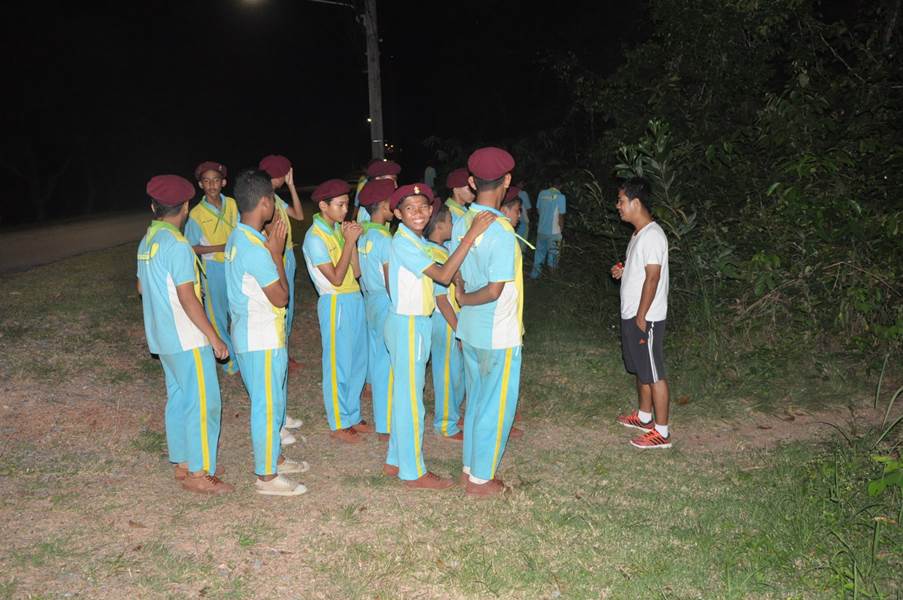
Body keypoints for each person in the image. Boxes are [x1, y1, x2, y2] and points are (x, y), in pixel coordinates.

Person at [383, 183, 493, 490]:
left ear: (431, 210)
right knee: (411, 400)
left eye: (423, 207)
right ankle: (412, 471)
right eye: (409, 208)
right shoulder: (404, 243)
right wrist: (469, 237)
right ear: (397, 214)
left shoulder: (414, 240)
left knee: (405, 395)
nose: (418, 213)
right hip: (408, 324)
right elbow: (443, 276)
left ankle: (396, 459)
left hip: (412, 323)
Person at [137, 174, 233, 495]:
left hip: (163, 338)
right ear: (186, 207)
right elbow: (187, 297)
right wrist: (214, 336)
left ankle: (183, 462)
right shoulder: (177, 245)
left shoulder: (148, 240)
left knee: (179, 399)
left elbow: (141, 287)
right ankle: (199, 472)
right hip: (187, 338)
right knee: (204, 403)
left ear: (153, 207)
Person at [225, 169, 309, 496]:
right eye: (273, 201)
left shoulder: (240, 237)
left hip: (253, 334)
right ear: (265, 202)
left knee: (270, 401)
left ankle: (275, 457)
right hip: (260, 338)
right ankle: (267, 476)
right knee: (267, 406)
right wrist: (276, 254)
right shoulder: (256, 249)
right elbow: (281, 297)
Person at [451, 147, 524, 498]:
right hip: (498, 330)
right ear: (507, 181)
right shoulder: (501, 231)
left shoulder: (462, 222)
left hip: (470, 328)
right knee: (495, 406)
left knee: (477, 401)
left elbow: (457, 272)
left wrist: (463, 299)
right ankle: (481, 479)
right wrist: (465, 299)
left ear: (471, 182)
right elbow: (495, 291)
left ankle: (470, 468)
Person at [301, 179, 370, 443]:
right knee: (338, 363)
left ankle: (352, 414)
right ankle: (338, 421)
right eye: (339, 205)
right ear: (323, 206)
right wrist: (349, 242)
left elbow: (357, 272)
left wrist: (350, 242)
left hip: (354, 298)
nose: (345, 210)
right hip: (335, 301)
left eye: (347, 204)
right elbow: (337, 278)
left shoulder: (337, 230)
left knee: (357, 360)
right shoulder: (315, 237)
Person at [611, 177, 672, 449]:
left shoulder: (653, 235)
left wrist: (641, 315)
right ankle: (644, 417)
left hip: (646, 317)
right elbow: (641, 271)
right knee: (641, 368)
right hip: (633, 313)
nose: (618, 206)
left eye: (621, 201)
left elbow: (653, 277)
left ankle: (662, 432)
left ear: (635, 203)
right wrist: (624, 271)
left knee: (654, 372)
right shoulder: (638, 234)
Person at [185, 161, 239, 375]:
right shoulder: (196, 214)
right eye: (206, 181)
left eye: (216, 180)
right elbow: (191, 247)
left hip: (235, 265)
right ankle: (229, 360)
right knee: (216, 316)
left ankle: (242, 353)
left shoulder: (233, 205)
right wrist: (219, 247)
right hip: (213, 268)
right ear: (200, 185)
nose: (212, 185)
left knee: (238, 311)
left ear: (223, 182)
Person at [356, 178, 396, 441]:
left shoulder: (364, 235)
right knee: (387, 363)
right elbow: (391, 280)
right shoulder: (385, 239)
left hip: (370, 299)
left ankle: (384, 419)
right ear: (383, 205)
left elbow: (359, 272)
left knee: (377, 357)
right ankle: (387, 423)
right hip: (385, 301)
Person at [258, 155, 305, 377]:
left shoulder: (274, 197)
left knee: (288, 306)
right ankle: (281, 353)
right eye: (284, 175)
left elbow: (299, 215)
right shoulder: (264, 200)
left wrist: (292, 186)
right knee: (282, 306)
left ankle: (284, 351)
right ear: (276, 176)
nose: (285, 178)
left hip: (287, 255)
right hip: (278, 257)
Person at [422, 203, 465, 441]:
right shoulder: (436, 256)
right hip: (443, 320)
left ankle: (452, 415)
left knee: (454, 371)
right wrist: (459, 330)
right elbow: (441, 300)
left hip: (446, 319)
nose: (452, 225)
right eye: (450, 221)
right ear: (438, 226)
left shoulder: (438, 250)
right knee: (446, 372)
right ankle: (446, 423)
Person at [530, 183, 566, 279]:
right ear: (560, 185)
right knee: (553, 256)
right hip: (554, 232)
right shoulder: (561, 197)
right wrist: (561, 229)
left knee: (539, 254)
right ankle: (553, 278)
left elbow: (538, 211)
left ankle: (535, 276)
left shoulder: (542, 194)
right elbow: (561, 215)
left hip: (541, 230)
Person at [356, 159, 402, 224]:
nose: (396, 185)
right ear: (378, 179)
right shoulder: (370, 210)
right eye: (393, 179)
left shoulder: (382, 201)